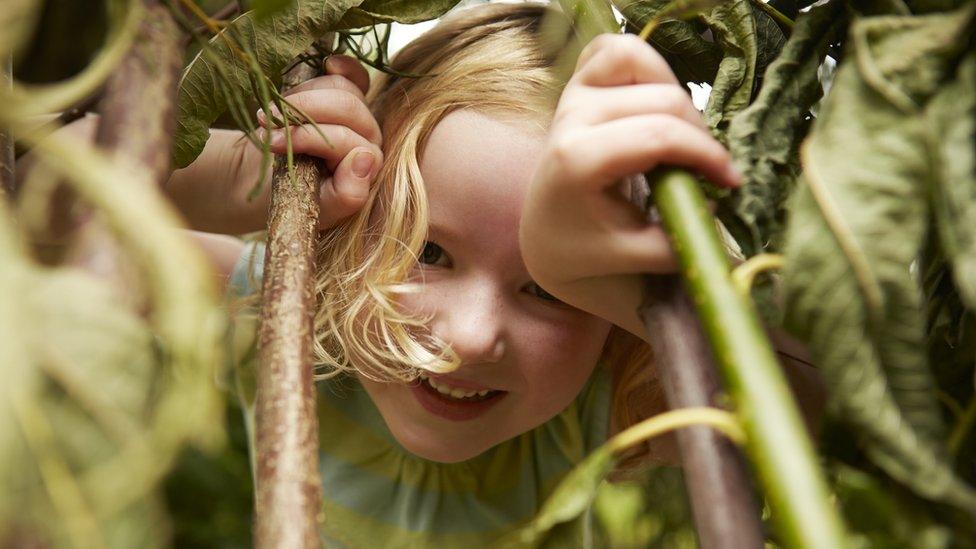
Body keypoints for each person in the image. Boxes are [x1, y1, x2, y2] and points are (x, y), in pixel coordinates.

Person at [33, 2, 819, 545]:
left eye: (545, 289)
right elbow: (40, 203)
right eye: (428, 250)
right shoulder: (289, 307)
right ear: (356, 220)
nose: (469, 337)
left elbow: (826, 397)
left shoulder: (606, 388)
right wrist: (242, 177)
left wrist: (608, 278)